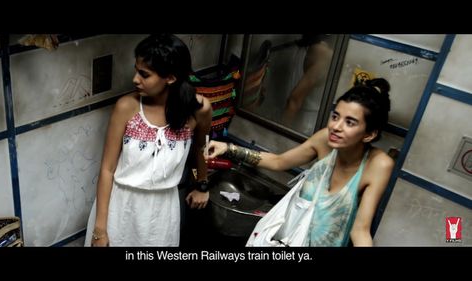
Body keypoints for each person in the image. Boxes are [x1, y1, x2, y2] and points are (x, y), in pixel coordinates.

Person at [206, 78, 395, 246]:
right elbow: (279, 162)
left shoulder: (378, 165)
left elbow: (360, 230)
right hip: (289, 239)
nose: (336, 127)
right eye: (335, 116)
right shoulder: (324, 140)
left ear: (370, 134)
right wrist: (229, 149)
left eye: (350, 122)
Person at [84, 34, 212, 247]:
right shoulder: (127, 107)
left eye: (144, 74)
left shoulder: (199, 110)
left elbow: (202, 147)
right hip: (121, 208)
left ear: (170, 78)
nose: (135, 79)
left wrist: (202, 185)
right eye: (136, 70)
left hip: (162, 214)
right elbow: (107, 169)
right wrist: (100, 230)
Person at [282, 34, 333, 127]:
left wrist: (279, 136)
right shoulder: (304, 47)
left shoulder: (323, 53)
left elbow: (294, 100)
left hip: (309, 124)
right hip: (296, 117)